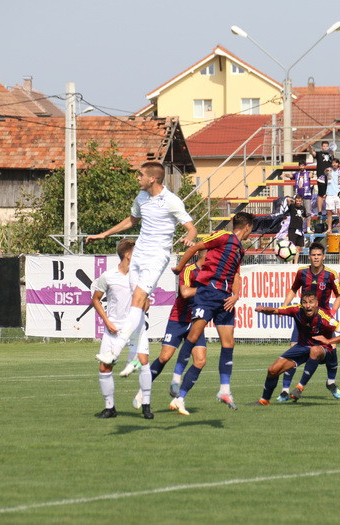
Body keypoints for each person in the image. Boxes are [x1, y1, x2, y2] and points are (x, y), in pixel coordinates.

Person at [86, 161, 198, 404]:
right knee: (135, 304)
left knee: (138, 300)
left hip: (156, 256)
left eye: (140, 175)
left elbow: (191, 228)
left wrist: (189, 238)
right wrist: (104, 234)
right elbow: (131, 220)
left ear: (153, 179)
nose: (137, 178)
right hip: (139, 255)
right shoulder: (141, 197)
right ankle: (133, 359)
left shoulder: (171, 201)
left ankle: (116, 350)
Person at [168, 212, 255, 416]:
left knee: (229, 343)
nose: (251, 232)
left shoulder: (240, 249)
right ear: (247, 227)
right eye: (251, 229)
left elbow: (236, 275)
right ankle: (176, 376)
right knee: (194, 335)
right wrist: (179, 267)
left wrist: (236, 295)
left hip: (225, 298)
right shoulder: (223, 236)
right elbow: (196, 247)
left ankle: (224, 390)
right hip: (208, 293)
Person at [131, 249, 207, 409]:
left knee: (200, 361)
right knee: (165, 357)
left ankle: (179, 399)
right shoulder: (189, 270)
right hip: (178, 319)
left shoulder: (212, 273)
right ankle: (142, 391)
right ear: (206, 255)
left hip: (197, 321)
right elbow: (185, 292)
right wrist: (208, 290)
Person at [251, 291, 340, 406]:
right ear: (301, 304)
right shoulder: (296, 310)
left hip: (322, 349)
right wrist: (263, 309)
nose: (308, 306)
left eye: (311, 302)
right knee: (273, 370)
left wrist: (328, 341)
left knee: (314, 350)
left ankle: (300, 387)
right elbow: (275, 310)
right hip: (302, 347)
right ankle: (264, 401)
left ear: (317, 303)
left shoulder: (326, 318)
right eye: (304, 302)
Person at [93, 239, 154, 419]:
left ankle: (146, 405)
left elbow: (146, 304)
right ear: (128, 255)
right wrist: (107, 322)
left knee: (143, 362)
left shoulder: (142, 277)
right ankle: (109, 407)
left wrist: (145, 302)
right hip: (114, 328)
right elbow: (95, 299)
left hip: (136, 328)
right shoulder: (108, 276)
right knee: (105, 366)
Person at [278, 242, 340, 401]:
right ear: (309, 256)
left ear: (324, 257)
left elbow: (339, 296)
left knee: (332, 347)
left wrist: (332, 313)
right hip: (303, 318)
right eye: (313, 255)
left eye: (319, 255)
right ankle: (285, 390)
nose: (316, 258)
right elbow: (293, 289)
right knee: (293, 350)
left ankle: (331, 382)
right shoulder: (302, 272)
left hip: (323, 320)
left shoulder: (331, 274)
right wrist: (284, 306)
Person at [310, 141, 334, 220]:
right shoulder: (319, 153)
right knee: (320, 194)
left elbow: (334, 163)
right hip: (321, 177)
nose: (325, 147)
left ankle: (329, 210)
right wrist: (310, 149)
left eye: (327, 146)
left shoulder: (330, 154)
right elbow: (313, 153)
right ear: (321, 147)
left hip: (329, 177)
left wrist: (332, 153)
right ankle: (319, 210)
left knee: (329, 194)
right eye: (324, 146)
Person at [324, 158, 340, 235]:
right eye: (333, 163)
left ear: (338, 164)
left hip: (338, 194)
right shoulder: (329, 170)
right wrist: (326, 170)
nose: (334, 164)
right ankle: (329, 228)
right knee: (329, 212)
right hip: (329, 193)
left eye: (336, 163)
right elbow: (325, 172)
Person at [286, 195, 308, 264]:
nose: (298, 202)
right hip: (292, 228)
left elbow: (304, 216)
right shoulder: (292, 206)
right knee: (292, 246)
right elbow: (288, 199)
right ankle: (290, 262)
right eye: (297, 200)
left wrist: (302, 219)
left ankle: (295, 262)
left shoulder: (303, 208)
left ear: (302, 201)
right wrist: (294, 200)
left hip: (300, 229)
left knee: (298, 247)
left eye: (299, 201)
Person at [293, 160, 313, 229]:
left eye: (303, 165)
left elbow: (311, 175)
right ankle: (300, 226)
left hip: (307, 195)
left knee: (308, 212)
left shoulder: (308, 173)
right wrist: (285, 175)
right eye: (300, 165)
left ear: (305, 166)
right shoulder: (296, 174)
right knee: (299, 212)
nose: (301, 167)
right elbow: (291, 176)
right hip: (299, 196)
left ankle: (308, 227)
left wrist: (311, 174)